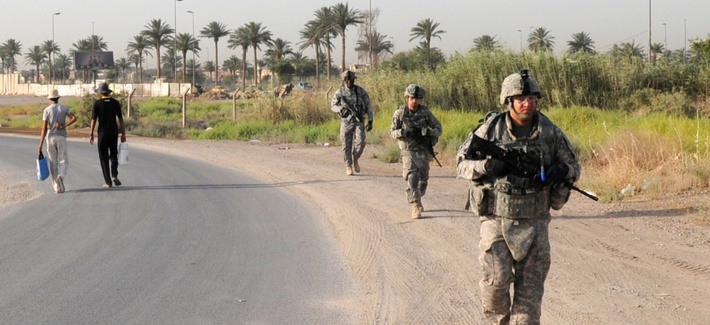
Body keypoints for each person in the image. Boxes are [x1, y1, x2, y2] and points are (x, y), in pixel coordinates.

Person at [455, 69, 581, 324]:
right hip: (496, 219)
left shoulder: (550, 132)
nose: (527, 103)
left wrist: (563, 170)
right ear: (508, 101)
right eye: (521, 98)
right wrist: (486, 167)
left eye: (532, 97)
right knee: (496, 286)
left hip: (534, 221)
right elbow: (461, 165)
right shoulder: (489, 130)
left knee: (529, 303)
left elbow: (574, 167)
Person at [390, 84, 442, 219]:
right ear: (407, 98)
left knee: (423, 179)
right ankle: (415, 205)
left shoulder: (425, 112)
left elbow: (438, 128)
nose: (415, 101)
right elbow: (392, 132)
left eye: (418, 98)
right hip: (408, 149)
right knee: (412, 176)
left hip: (423, 149)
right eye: (412, 98)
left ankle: (419, 196)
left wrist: (427, 132)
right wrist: (403, 132)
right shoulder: (400, 113)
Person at [330, 70, 374, 176]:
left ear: (354, 80)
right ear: (344, 80)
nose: (349, 82)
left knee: (361, 142)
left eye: (351, 79)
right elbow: (333, 106)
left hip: (359, 120)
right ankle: (348, 166)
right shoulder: (339, 92)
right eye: (347, 80)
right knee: (346, 144)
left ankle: (356, 158)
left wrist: (370, 120)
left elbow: (368, 105)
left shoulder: (361, 91)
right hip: (346, 121)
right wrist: (341, 109)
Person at [38, 89, 77, 194]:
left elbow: (44, 128)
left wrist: (41, 143)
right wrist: (63, 126)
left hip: (50, 137)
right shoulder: (63, 108)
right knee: (63, 160)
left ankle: (56, 186)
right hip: (61, 137)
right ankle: (61, 177)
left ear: (50, 99)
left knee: (52, 161)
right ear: (58, 98)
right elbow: (74, 118)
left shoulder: (47, 110)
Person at [89, 83, 127, 189]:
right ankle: (114, 174)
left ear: (100, 93)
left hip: (102, 133)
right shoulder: (115, 103)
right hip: (113, 132)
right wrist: (123, 133)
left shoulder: (97, 104)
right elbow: (120, 119)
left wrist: (91, 133)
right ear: (108, 92)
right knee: (113, 154)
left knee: (104, 157)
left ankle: (108, 182)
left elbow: (93, 120)